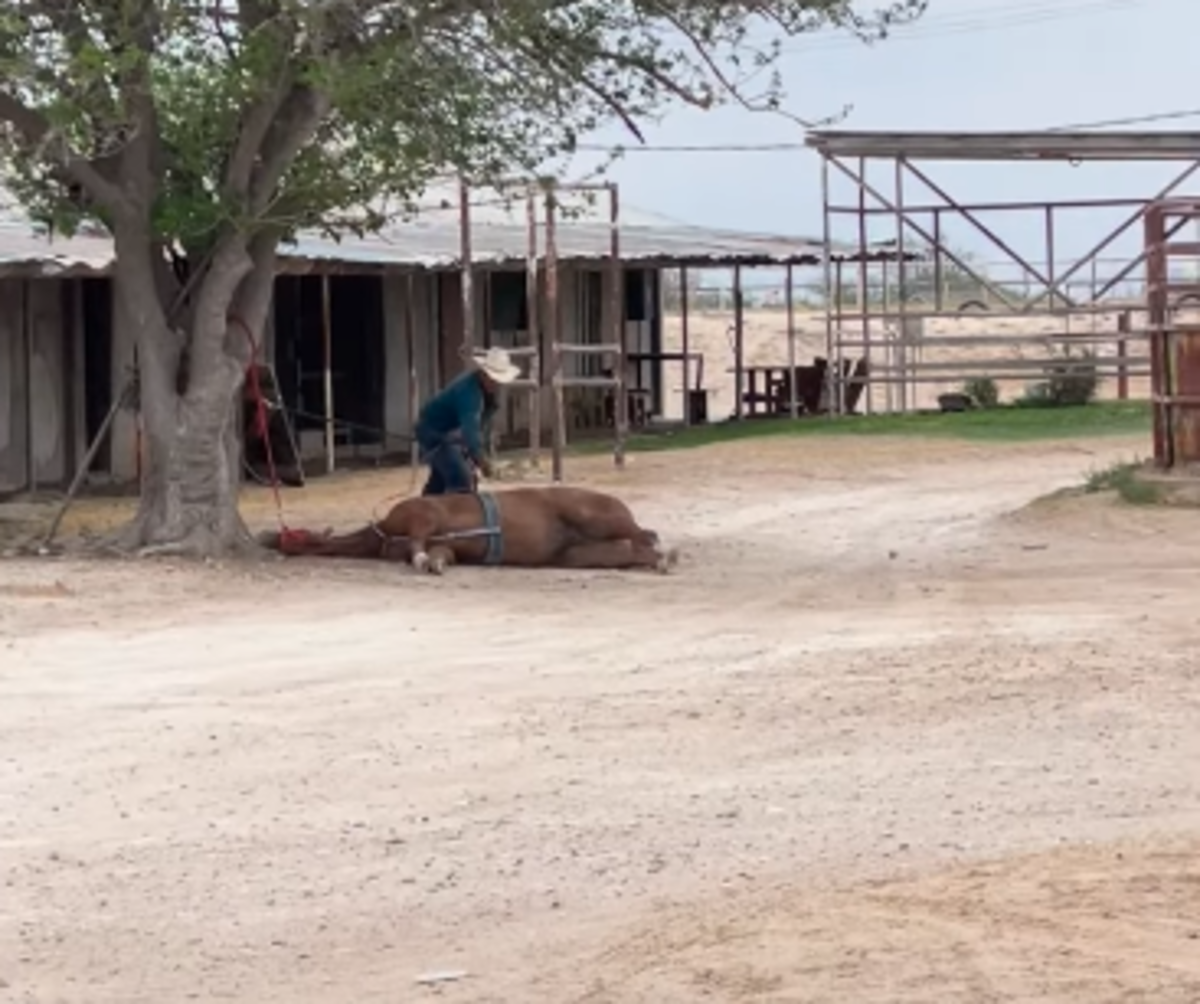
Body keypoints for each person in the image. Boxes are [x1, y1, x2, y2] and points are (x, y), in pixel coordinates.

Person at [414, 346, 521, 496]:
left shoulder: (485, 393)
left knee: (441, 479)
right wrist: (480, 458)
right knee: (462, 480)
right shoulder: (469, 393)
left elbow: (478, 427)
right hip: (434, 433)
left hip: (450, 434)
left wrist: (476, 451)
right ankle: (459, 517)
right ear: (483, 374)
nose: (496, 383)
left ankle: (425, 512)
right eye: (493, 379)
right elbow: (470, 429)